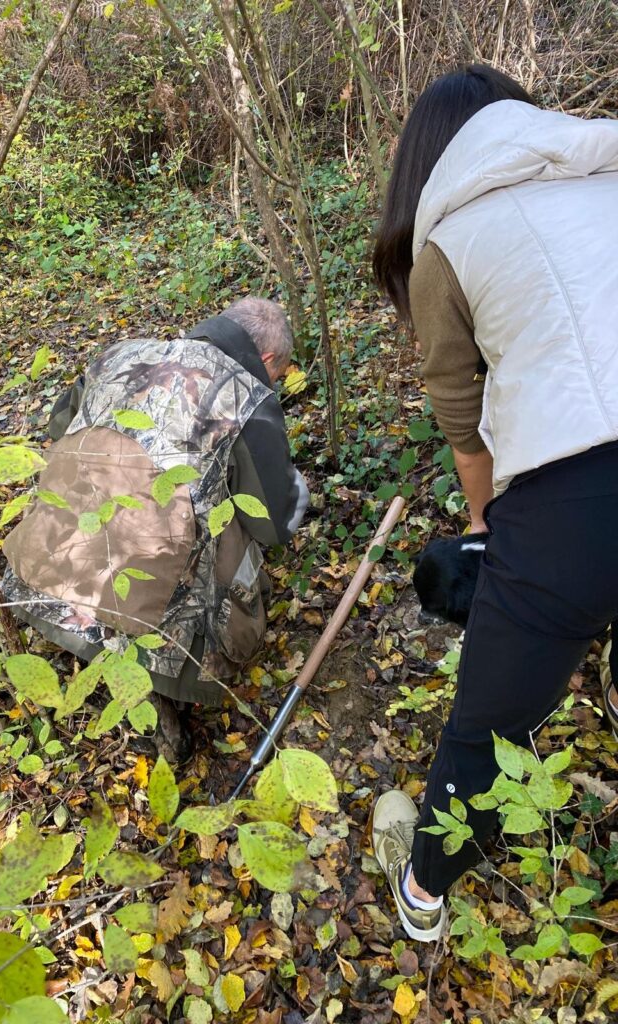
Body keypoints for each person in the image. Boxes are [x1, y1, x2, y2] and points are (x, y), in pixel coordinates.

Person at [369, 64, 618, 941]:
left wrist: (485, 530)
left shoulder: (451, 237)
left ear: (423, 160)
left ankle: (424, 895)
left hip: (572, 502)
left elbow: (460, 416)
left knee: (484, 727)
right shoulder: (606, 166)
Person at [1, 297, 309, 759]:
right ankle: (171, 678)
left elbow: (59, 424)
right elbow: (273, 525)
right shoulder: (248, 396)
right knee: (231, 526)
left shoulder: (120, 353)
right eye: (280, 374)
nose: (277, 384)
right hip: (150, 611)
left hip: (46, 570)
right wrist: (295, 486)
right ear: (267, 360)